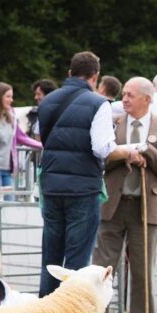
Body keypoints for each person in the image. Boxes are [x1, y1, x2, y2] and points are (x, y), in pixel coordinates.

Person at [91, 76, 157, 313]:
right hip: (113, 206)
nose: (124, 99)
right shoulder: (111, 125)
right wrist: (125, 154)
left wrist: (147, 152)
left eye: (130, 95)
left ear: (147, 99)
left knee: (142, 270)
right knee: (102, 268)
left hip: (145, 208)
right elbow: (100, 160)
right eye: (124, 95)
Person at [37, 51, 123, 297]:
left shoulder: (48, 101)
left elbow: (45, 140)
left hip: (51, 185)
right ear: (95, 77)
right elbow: (101, 147)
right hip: (83, 189)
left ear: (69, 73)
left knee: (50, 257)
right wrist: (125, 152)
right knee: (77, 260)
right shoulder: (98, 104)